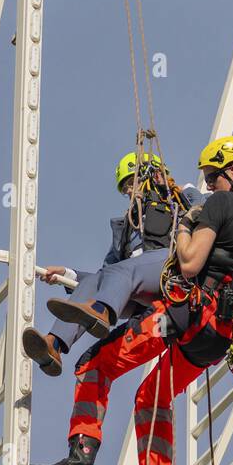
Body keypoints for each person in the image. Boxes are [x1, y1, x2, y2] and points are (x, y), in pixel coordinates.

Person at [29, 135, 233, 465]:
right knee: (153, 397)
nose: (210, 182)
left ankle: (80, 459)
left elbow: (190, 262)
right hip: (218, 335)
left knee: (95, 365)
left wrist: (183, 228)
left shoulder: (216, 203)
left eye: (214, 176)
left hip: (183, 316)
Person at [22, 152, 203, 377]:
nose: (128, 191)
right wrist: (68, 275)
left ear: (149, 174)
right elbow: (106, 275)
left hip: (170, 267)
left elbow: (207, 216)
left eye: (130, 182)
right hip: (135, 285)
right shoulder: (127, 226)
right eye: (124, 187)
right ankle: (53, 345)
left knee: (119, 271)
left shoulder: (180, 196)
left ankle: (101, 311)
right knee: (99, 279)